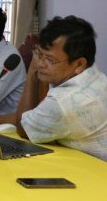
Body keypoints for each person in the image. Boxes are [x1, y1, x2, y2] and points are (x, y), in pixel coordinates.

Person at [10, 16, 107, 161]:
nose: (40, 64)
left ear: (79, 64)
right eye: (39, 54)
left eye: (50, 59)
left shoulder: (62, 103)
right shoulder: (95, 76)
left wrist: (31, 75)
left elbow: (23, 128)